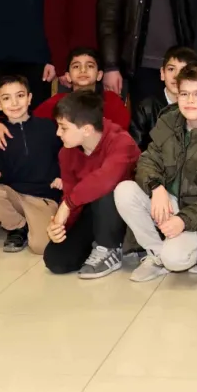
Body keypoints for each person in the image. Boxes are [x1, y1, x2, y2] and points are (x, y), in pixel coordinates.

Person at [115, 62, 197, 281]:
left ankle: (186, 253)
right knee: (124, 191)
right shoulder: (169, 120)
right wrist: (156, 188)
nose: (190, 100)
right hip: (172, 203)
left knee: (175, 259)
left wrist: (182, 220)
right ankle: (157, 254)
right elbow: (147, 160)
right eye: (184, 94)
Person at [43, 91, 142, 279]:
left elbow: (106, 179)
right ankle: (100, 244)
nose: (58, 133)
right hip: (92, 212)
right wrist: (60, 225)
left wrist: (67, 205)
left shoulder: (121, 141)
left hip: (128, 215)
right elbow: (70, 193)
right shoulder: (67, 153)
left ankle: (109, 248)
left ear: (87, 130)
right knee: (56, 260)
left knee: (105, 189)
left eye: (63, 128)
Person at [0, 74, 61, 253]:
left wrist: (61, 177)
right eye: (6, 98)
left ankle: (33, 225)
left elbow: (65, 154)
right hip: (15, 195)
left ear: (29, 98)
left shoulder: (48, 127)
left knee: (41, 247)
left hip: (43, 198)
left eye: (20, 96)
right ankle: (18, 227)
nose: (14, 103)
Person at [27, 48, 129, 130]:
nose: (83, 70)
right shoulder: (56, 102)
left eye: (90, 66)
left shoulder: (111, 101)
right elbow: (32, 124)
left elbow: (121, 133)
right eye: (76, 66)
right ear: (68, 76)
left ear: (99, 75)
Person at [130, 45, 197, 152]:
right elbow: (133, 150)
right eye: (171, 69)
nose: (176, 76)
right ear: (162, 73)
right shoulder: (146, 108)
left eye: (183, 70)